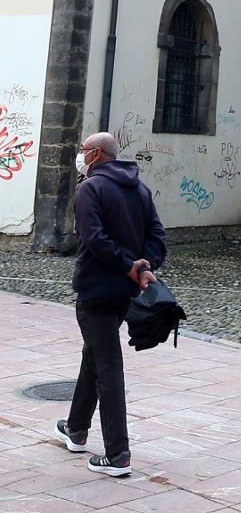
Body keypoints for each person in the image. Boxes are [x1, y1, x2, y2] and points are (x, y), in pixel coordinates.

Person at [53, 131, 166, 478]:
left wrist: (130, 266)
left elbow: (94, 238)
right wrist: (143, 266)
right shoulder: (140, 189)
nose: (80, 155)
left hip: (97, 289)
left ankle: (118, 453)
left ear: (98, 154)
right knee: (96, 354)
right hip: (124, 293)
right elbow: (157, 236)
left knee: (108, 366)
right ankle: (75, 428)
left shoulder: (91, 189)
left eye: (84, 150)